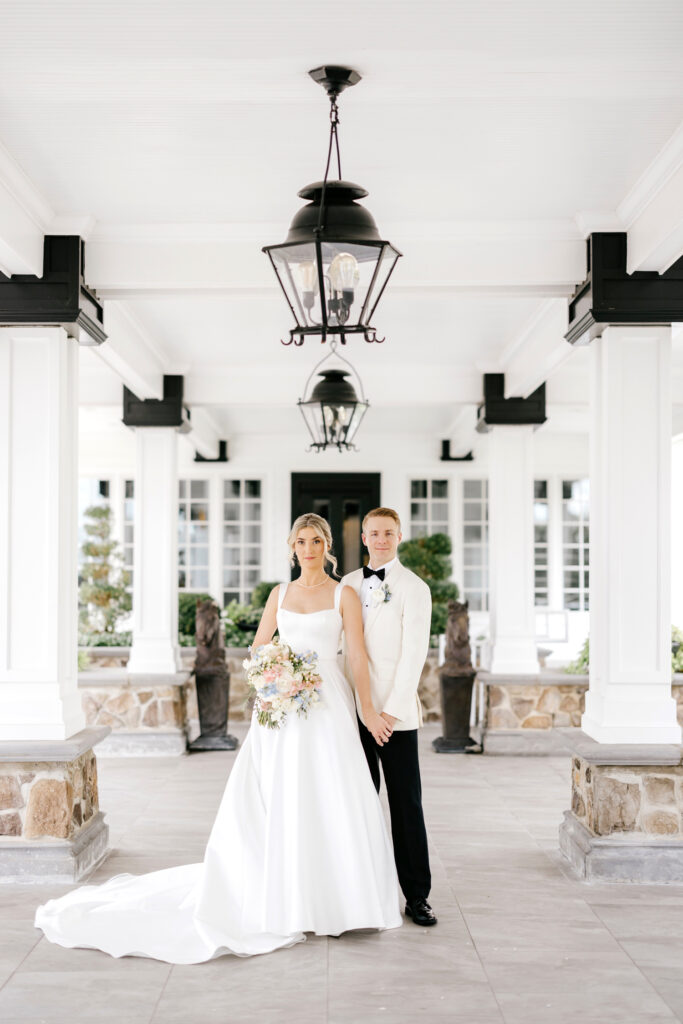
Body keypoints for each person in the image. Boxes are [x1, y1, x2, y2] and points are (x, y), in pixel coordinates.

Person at [34, 514, 401, 963]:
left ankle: (339, 900)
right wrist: (275, 677)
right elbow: (260, 647)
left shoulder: (344, 593)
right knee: (283, 794)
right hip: (283, 706)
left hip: (329, 706)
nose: (309, 547)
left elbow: (357, 656)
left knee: (332, 794)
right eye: (301, 541)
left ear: (328, 547)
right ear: (292, 548)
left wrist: (366, 708)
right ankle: (284, 895)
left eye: (317, 540)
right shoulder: (279, 594)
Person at [342, 507, 436, 927]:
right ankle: (356, 896)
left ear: (399, 536)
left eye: (388, 533)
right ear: (364, 537)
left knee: (405, 806)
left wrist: (388, 713)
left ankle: (417, 896)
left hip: (394, 718)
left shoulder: (414, 588)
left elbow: (414, 657)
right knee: (356, 806)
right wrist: (358, 709)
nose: (381, 539)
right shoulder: (344, 585)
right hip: (349, 713)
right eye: (374, 533)